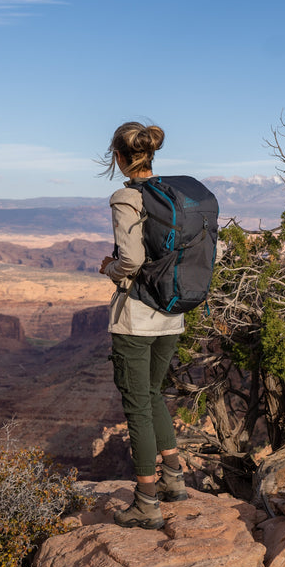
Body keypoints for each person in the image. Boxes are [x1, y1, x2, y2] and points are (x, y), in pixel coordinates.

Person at [99, 121, 189, 529]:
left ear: (119, 157)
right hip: (172, 312)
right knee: (153, 394)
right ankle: (173, 479)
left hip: (136, 317)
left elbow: (132, 260)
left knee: (137, 406)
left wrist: (110, 269)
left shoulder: (126, 197)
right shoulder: (174, 196)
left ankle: (147, 503)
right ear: (150, 154)